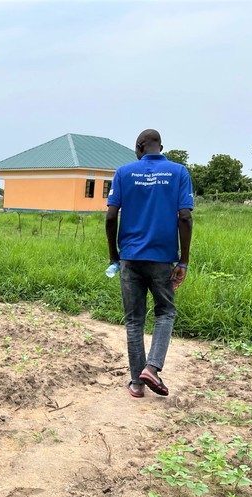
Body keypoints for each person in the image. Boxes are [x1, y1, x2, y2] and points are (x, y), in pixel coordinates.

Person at [105, 129, 193, 398]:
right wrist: (184, 261)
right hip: (162, 257)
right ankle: (152, 367)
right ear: (160, 146)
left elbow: (110, 218)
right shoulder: (178, 172)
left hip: (130, 257)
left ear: (139, 147)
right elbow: (185, 217)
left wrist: (114, 257)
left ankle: (137, 383)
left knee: (134, 321)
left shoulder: (123, 172)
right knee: (165, 312)